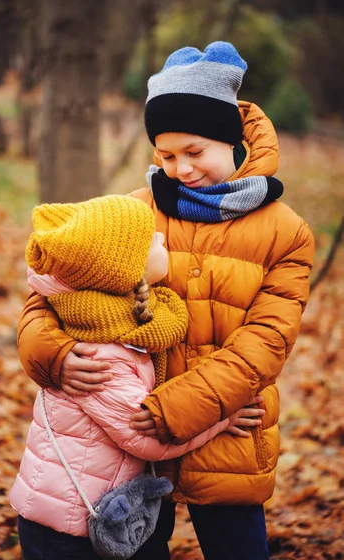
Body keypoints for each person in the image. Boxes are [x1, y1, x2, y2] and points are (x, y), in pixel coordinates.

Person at [16, 42, 314, 560]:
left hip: (227, 427)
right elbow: (49, 295)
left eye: (195, 152)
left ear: (232, 140)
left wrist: (183, 409)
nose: (180, 170)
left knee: (237, 547)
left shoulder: (285, 233)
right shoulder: (136, 212)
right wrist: (53, 356)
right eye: (166, 155)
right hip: (127, 439)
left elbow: (268, 337)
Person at [10, 194, 264, 560]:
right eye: (152, 239)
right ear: (127, 270)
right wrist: (222, 420)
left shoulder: (110, 320)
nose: (163, 239)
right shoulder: (101, 357)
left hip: (96, 510)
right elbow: (148, 438)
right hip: (71, 531)